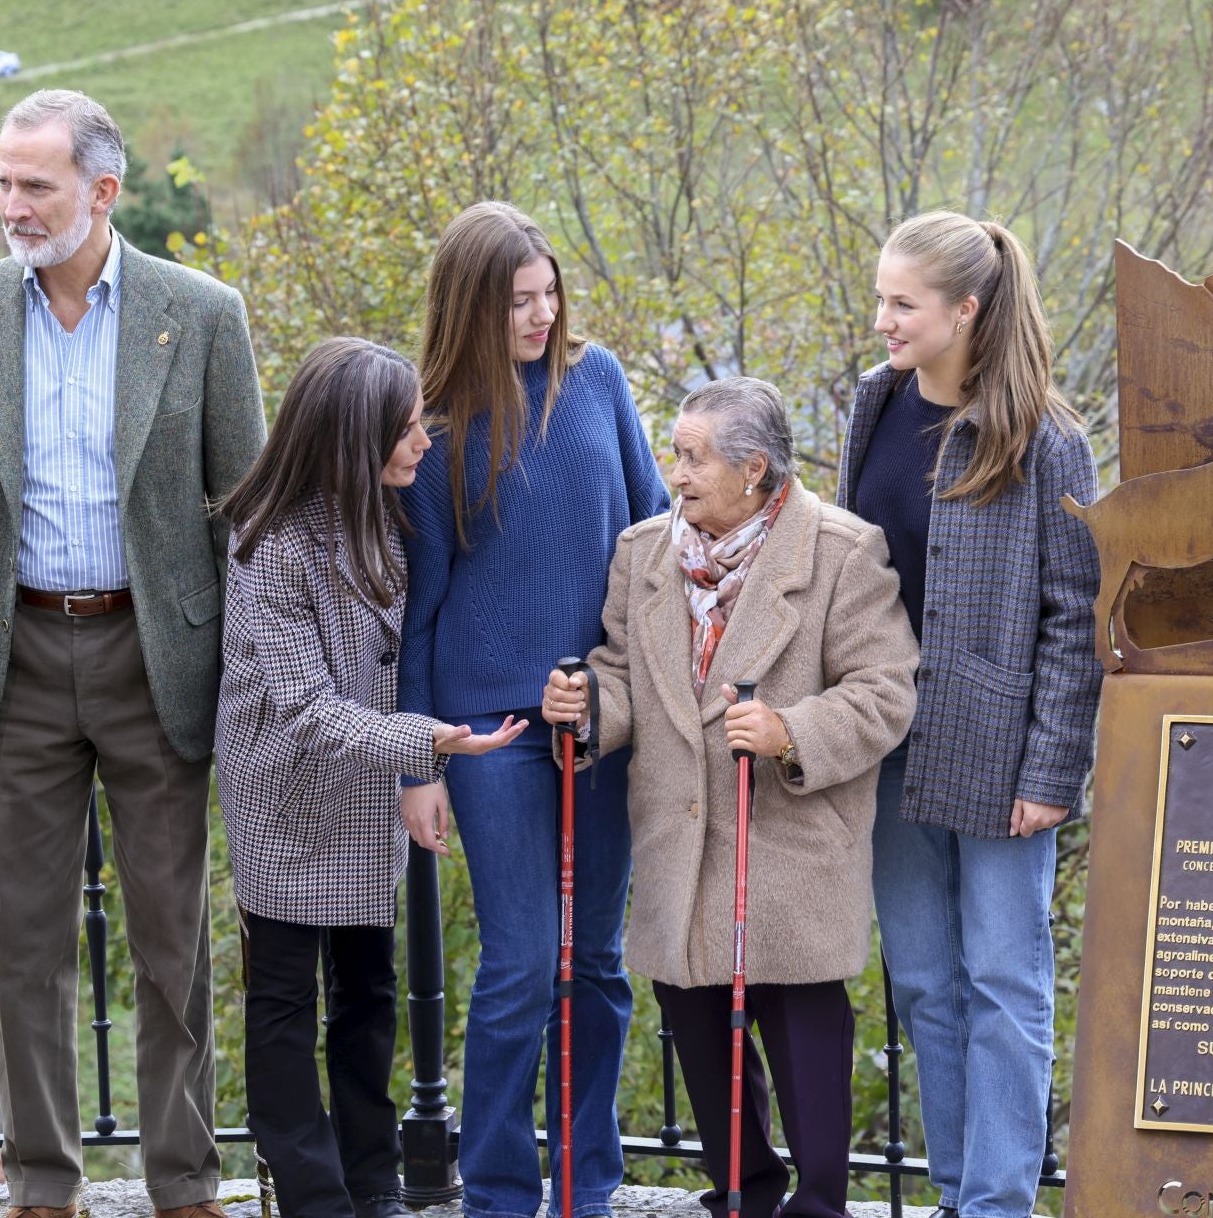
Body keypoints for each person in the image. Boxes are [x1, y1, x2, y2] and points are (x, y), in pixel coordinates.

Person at [0, 89, 266, 1218]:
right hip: (12, 655)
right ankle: (41, 1185)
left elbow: (242, 517)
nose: (11, 206)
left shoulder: (202, 314)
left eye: (36, 186)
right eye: (4, 183)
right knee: (26, 944)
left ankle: (183, 1183)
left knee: (170, 936)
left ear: (101, 192)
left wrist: (250, 679)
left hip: (159, 658)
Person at [543, 376, 917, 1218]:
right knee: (697, 1016)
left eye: (692, 456)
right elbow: (621, 675)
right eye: (676, 452)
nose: (675, 472)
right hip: (681, 832)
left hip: (787, 834)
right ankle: (743, 1193)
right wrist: (586, 707)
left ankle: (819, 1202)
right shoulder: (644, 552)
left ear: (753, 469)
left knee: (800, 1016)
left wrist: (791, 730)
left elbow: (886, 690)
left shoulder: (841, 551)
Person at [397, 201, 668, 1218]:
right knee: (518, 961)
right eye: (518, 300)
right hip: (486, 733)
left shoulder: (597, 381)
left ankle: (587, 1180)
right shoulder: (433, 429)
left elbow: (649, 540)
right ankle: (502, 1190)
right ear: (472, 305)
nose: (541, 314)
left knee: (595, 960)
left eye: (549, 293)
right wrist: (419, 763)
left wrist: (612, 689)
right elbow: (418, 612)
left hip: (597, 717)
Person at [214, 337, 526, 1218]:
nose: (423, 440)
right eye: (404, 428)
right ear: (352, 435)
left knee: (370, 990)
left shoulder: (387, 511)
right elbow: (306, 710)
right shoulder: (268, 543)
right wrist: (431, 743)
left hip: (366, 782)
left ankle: (372, 1181)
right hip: (285, 792)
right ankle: (314, 1196)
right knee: (282, 1001)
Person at [837, 211, 1101, 1218]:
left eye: (902, 303)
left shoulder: (1048, 440)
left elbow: (1077, 619)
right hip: (888, 742)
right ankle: (957, 1190)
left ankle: (997, 1202)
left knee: (1004, 979)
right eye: (882, 298)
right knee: (924, 982)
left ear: (965, 309)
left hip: (1002, 759)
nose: (883, 320)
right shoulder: (875, 403)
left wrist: (1051, 771)